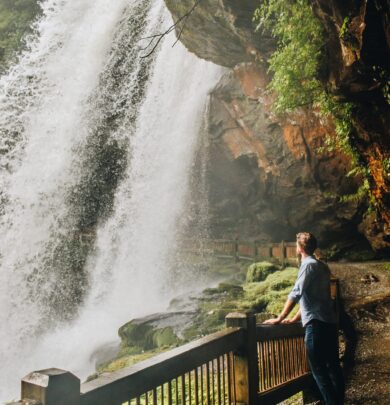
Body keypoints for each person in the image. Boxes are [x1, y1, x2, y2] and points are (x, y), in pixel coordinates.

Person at [264, 232, 345, 405]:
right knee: (333, 366)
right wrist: (294, 318)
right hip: (329, 322)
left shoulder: (307, 265)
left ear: (299, 248)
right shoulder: (322, 266)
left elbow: (297, 292)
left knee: (319, 371)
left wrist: (280, 317)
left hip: (316, 325)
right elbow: (313, 298)